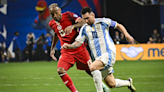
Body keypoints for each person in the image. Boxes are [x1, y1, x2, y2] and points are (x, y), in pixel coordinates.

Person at [61, 7, 136, 92]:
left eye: (87, 18)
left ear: (93, 15)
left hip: (109, 53)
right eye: (84, 19)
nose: (86, 21)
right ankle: (128, 83)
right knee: (112, 84)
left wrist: (127, 35)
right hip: (99, 58)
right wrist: (69, 46)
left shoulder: (103, 21)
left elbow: (118, 25)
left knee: (92, 67)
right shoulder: (85, 28)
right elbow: (78, 43)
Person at [48, 3, 110, 92]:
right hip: (66, 51)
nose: (55, 16)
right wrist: (52, 49)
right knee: (60, 70)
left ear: (60, 10)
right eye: (52, 14)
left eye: (56, 13)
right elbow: (56, 34)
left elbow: (83, 22)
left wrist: (73, 26)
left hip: (79, 49)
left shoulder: (69, 15)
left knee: (91, 70)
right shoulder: (51, 23)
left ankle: (103, 86)